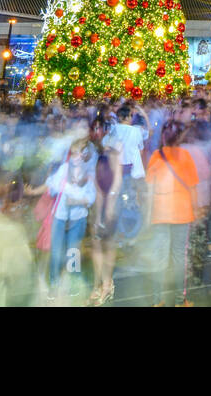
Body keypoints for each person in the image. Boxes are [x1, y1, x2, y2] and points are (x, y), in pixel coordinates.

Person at [144, 121, 201, 306]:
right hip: (182, 213)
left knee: (160, 257)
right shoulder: (185, 156)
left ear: (163, 137)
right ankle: (179, 299)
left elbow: (149, 187)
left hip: (160, 213)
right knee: (179, 258)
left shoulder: (155, 156)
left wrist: (147, 214)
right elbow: (193, 187)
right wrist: (197, 209)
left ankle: (157, 300)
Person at [42, 138, 97, 302]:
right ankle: (54, 284)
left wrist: (76, 200)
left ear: (86, 155)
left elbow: (91, 198)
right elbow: (51, 186)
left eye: (80, 152)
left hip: (78, 218)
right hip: (60, 216)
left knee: (73, 252)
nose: (76, 156)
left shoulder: (89, 174)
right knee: (56, 251)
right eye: (73, 152)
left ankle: (73, 282)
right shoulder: (64, 169)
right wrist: (61, 185)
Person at [87, 117, 122, 306]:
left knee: (108, 242)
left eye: (101, 127)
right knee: (96, 242)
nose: (98, 131)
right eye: (95, 128)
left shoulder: (114, 147)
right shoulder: (92, 149)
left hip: (110, 200)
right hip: (97, 199)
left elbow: (117, 177)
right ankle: (97, 283)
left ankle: (107, 283)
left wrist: (110, 201)